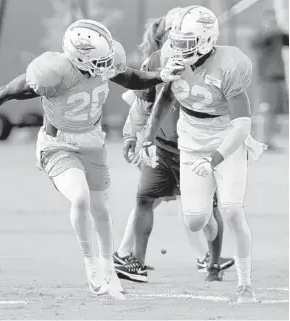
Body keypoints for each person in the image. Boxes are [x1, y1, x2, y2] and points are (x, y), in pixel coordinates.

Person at [0, 19, 180, 299]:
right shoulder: (54, 73)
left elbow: (129, 76)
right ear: (79, 58)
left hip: (92, 142)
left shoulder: (104, 63)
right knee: (80, 197)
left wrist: (161, 76)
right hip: (58, 144)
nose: (107, 66)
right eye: (100, 61)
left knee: (101, 210)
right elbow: (8, 91)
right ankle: (91, 264)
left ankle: (108, 267)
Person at [140, 6, 267, 303]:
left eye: (188, 42)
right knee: (195, 221)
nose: (180, 48)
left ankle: (244, 285)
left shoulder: (230, 63)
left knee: (233, 210)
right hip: (191, 140)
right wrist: (147, 137)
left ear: (208, 40)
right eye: (177, 41)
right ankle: (206, 214)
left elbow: (243, 124)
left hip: (227, 139)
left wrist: (213, 160)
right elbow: (165, 98)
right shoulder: (170, 56)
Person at [113, 9, 234, 284]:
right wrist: (132, 136)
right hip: (163, 145)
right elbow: (142, 104)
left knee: (204, 211)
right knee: (145, 197)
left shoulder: (223, 63)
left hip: (199, 148)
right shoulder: (157, 60)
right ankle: (136, 262)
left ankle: (212, 263)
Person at [252, 9, 289, 150]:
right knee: (266, 111)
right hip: (267, 79)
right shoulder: (262, 36)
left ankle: (269, 140)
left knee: (275, 112)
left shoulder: (278, 36)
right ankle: (262, 140)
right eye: (270, 20)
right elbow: (258, 43)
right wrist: (270, 31)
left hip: (279, 78)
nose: (273, 23)